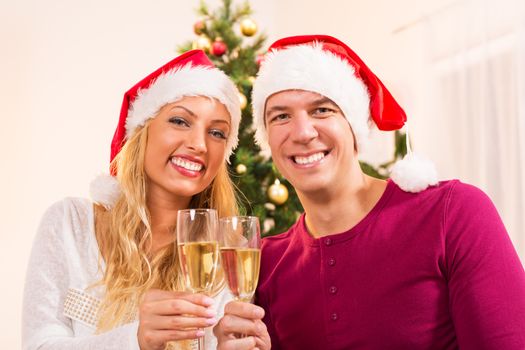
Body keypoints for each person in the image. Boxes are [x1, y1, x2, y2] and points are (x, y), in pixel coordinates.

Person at [214, 35, 525, 349]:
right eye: (281, 116)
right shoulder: (268, 262)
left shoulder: (454, 212)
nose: (303, 132)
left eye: (322, 110)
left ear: (354, 126)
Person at [22, 49, 242, 350]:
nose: (199, 144)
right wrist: (134, 339)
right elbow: (38, 344)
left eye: (217, 133)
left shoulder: (226, 253)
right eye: (180, 121)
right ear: (142, 131)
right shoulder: (70, 223)